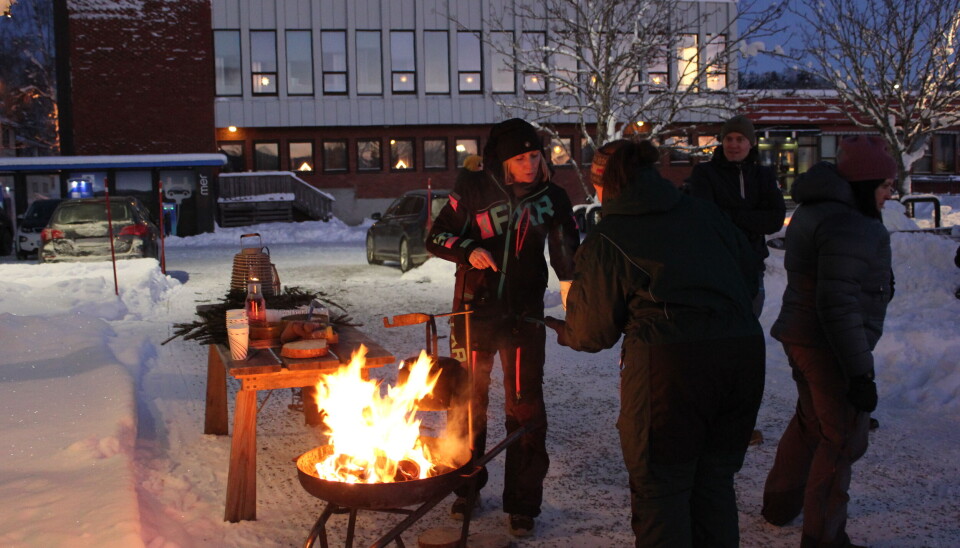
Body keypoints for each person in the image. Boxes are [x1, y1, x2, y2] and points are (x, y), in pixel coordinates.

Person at [544, 139, 765, 547]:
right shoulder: (704, 213)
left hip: (670, 370)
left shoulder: (611, 235)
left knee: (662, 490)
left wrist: (566, 329)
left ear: (603, 184)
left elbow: (593, 333)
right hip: (742, 356)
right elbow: (750, 277)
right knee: (714, 482)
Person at [425, 118, 580, 538]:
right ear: (503, 160)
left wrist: (571, 294)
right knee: (469, 402)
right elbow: (436, 237)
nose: (530, 165)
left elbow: (566, 253)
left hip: (523, 318)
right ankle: (466, 487)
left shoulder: (553, 197)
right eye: (520, 158)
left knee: (525, 410)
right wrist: (469, 249)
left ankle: (523, 503)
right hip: (473, 315)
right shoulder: (473, 187)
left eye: (534, 155)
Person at [761, 135, 897, 548]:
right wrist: (859, 373)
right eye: (886, 185)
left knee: (811, 422)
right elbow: (838, 304)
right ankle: (824, 537)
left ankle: (780, 506)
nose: (891, 193)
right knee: (842, 439)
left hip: (803, 337)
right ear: (864, 183)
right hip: (829, 346)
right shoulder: (849, 224)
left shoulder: (819, 210)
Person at [685, 114, 786, 317]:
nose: (733, 145)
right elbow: (707, 217)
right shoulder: (705, 173)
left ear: (751, 143)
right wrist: (752, 218)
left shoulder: (763, 175)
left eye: (740, 139)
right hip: (717, 265)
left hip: (753, 264)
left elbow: (774, 219)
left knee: (749, 321)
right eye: (729, 139)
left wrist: (730, 215)